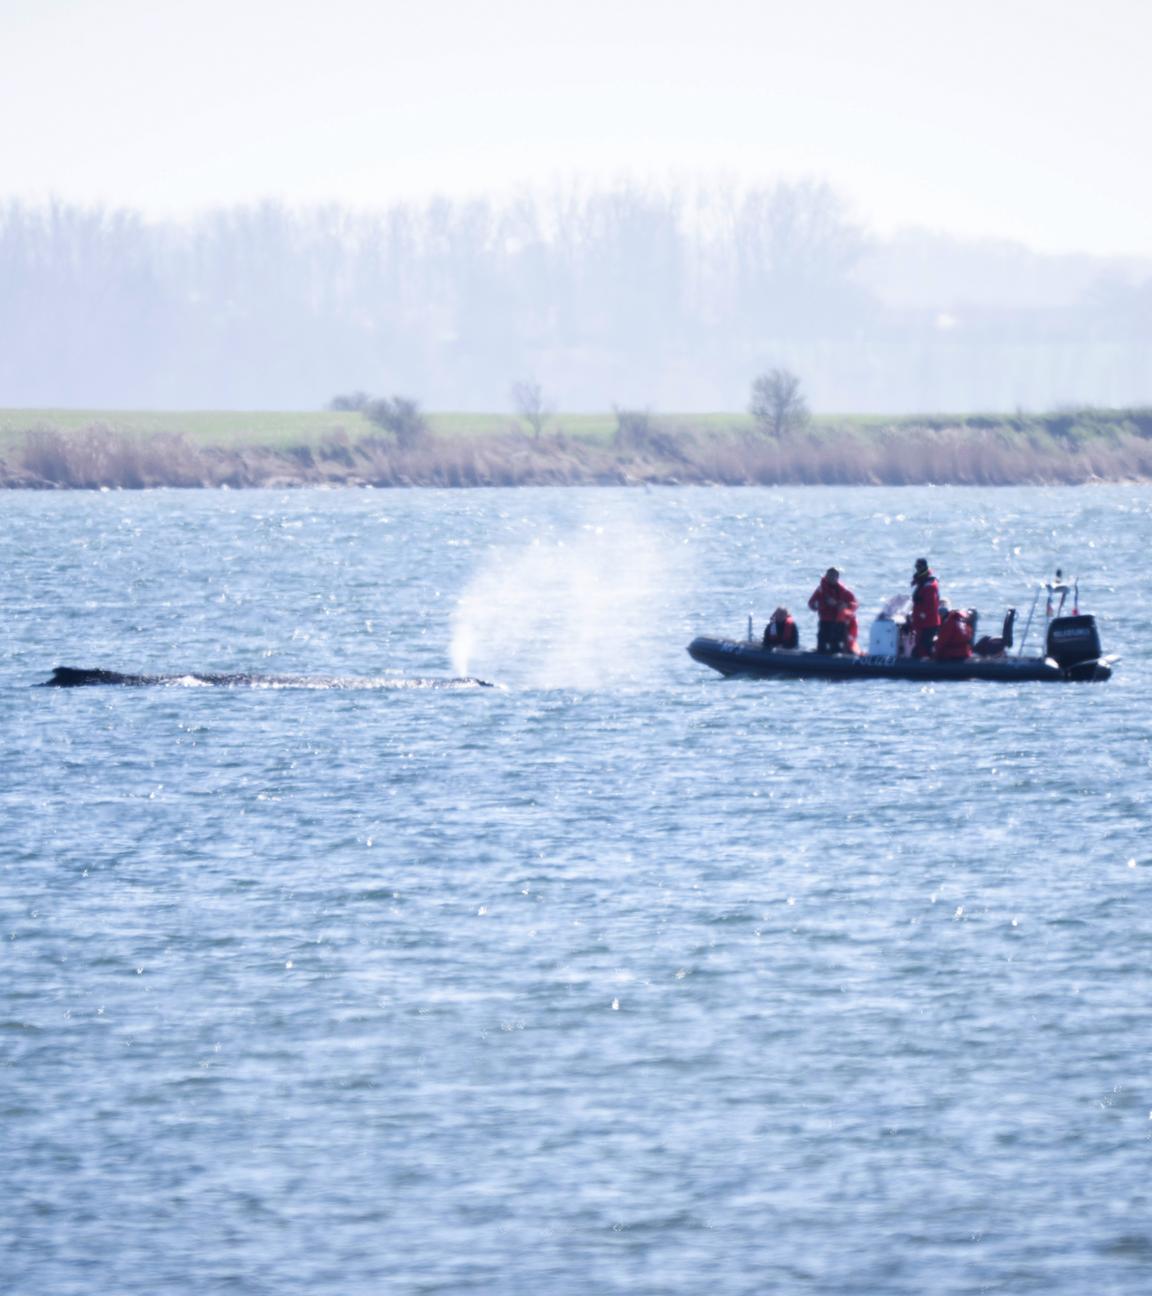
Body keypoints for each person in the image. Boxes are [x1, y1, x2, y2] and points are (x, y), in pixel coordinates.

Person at [808, 567, 858, 654]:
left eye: (833, 576)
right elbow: (811, 604)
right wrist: (823, 604)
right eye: (829, 575)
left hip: (839, 623)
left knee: (836, 647)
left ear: (837, 577)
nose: (830, 578)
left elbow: (855, 604)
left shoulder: (843, 590)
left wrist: (846, 606)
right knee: (822, 647)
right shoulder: (821, 590)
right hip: (825, 622)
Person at [910, 557, 941, 658]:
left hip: (928, 623)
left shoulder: (930, 585)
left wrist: (921, 615)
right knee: (920, 648)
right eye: (916, 567)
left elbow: (930, 606)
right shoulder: (920, 582)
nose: (917, 569)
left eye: (919, 567)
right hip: (921, 622)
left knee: (922, 649)